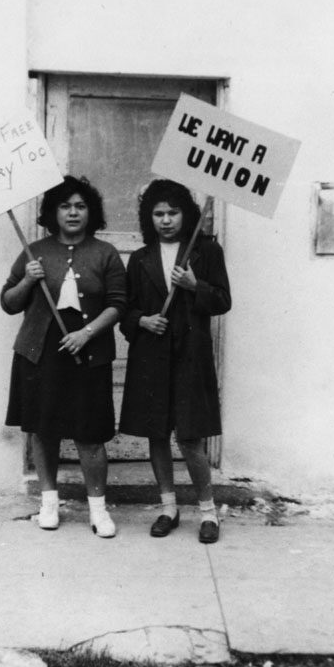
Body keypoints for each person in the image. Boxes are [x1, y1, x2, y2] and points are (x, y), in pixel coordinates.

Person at [1, 175, 126, 537]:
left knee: (90, 433)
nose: (73, 212)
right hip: (40, 356)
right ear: (53, 212)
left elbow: (119, 304)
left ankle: (98, 510)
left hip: (88, 355)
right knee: (44, 431)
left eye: (80, 206)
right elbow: (8, 303)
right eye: (65, 206)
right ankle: (49, 503)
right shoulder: (33, 251)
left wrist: (87, 333)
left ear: (91, 212)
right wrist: (27, 280)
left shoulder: (105, 254)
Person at [119, 179, 231, 544]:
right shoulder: (139, 259)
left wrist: (194, 285)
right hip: (151, 357)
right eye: (158, 213)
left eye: (173, 212)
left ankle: (208, 512)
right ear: (148, 217)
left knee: (190, 437)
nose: (166, 220)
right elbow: (124, 310)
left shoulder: (205, 251)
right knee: (156, 433)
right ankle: (168, 507)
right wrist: (141, 321)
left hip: (189, 356)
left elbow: (222, 301)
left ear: (187, 213)